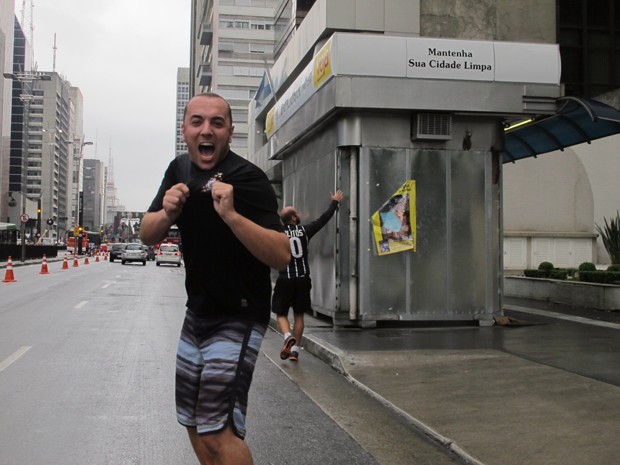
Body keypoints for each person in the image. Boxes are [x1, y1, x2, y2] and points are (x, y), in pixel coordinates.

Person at [140, 92, 290, 465]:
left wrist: (233, 216)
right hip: (198, 314)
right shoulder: (179, 171)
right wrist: (167, 213)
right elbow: (147, 233)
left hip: (239, 315)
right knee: (192, 421)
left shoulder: (248, 179)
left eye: (217, 123)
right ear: (185, 130)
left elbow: (282, 253)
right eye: (197, 122)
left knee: (216, 429)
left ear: (230, 132)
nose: (206, 130)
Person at [273, 189, 345, 362]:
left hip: (285, 278)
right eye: (296, 213)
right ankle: (295, 351)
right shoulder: (305, 231)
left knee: (280, 313)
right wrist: (335, 201)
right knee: (299, 315)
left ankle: (287, 336)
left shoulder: (278, 233)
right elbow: (323, 219)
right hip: (303, 279)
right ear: (294, 218)